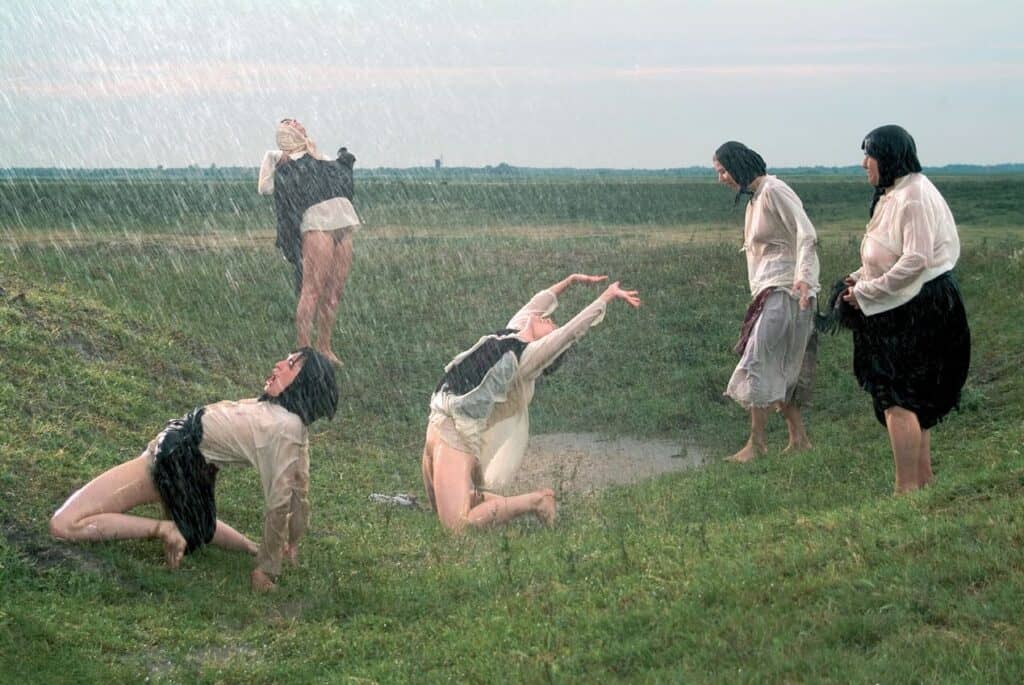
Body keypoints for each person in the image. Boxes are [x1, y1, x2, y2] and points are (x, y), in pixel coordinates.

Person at [49, 348, 338, 592]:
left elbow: (282, 501)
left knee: (64, 524)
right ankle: (223, 538)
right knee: (199, 528)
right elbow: (299, 492)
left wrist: (267, 569)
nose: (278, 364)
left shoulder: (285, 427)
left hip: (174, 456)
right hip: (193, 467)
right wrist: (289, 544)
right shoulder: (293, 425)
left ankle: (166, 528)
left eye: (290, 366)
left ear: (304, 385)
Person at [421, 274, 641, 532]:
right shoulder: (514, 332)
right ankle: (491, 503)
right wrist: (570, 282)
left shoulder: (525, 358)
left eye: (552, 325)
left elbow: (569, 333)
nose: (549, 319)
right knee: (441, 510)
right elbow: (538, 304)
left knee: (457, 527)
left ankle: (536, 501)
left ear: (545, 342)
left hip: (455, 435)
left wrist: (605, 297)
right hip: (439, 419)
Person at [841, 124, 970, 494]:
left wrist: (867, 292)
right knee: (908, 399)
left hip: (917, 308)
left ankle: (905, 489)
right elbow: (889, 254)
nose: (865, 163)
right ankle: (922, 479)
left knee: (897, 398)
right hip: (906, 302)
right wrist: (858, 278)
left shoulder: (912, 196)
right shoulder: (897, 192)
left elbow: (915, 260)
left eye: (871, 155)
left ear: (890, 157)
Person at [712, 141, 821, 462]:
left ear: (739, 164)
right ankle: (799, 439)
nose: (721, 178)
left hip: (788, 291)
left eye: (723, 170)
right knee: (781, 364)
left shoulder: (774, 190)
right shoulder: (755, 199)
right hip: (770, 292)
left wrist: (802, 277)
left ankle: (757, 444)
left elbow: (807, 234)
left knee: (758, 359)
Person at [258, 118, 359, 366]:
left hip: (343, 221)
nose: (299, 126)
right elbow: (265, 187)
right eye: (292, 125)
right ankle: (303, 352)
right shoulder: (282, 158)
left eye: (297, 124)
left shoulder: (316, 154)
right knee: (312, 289)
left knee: (334, 292)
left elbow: (338, 172)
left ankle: (324, 347)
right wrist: (280, 160)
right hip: (317, 224)